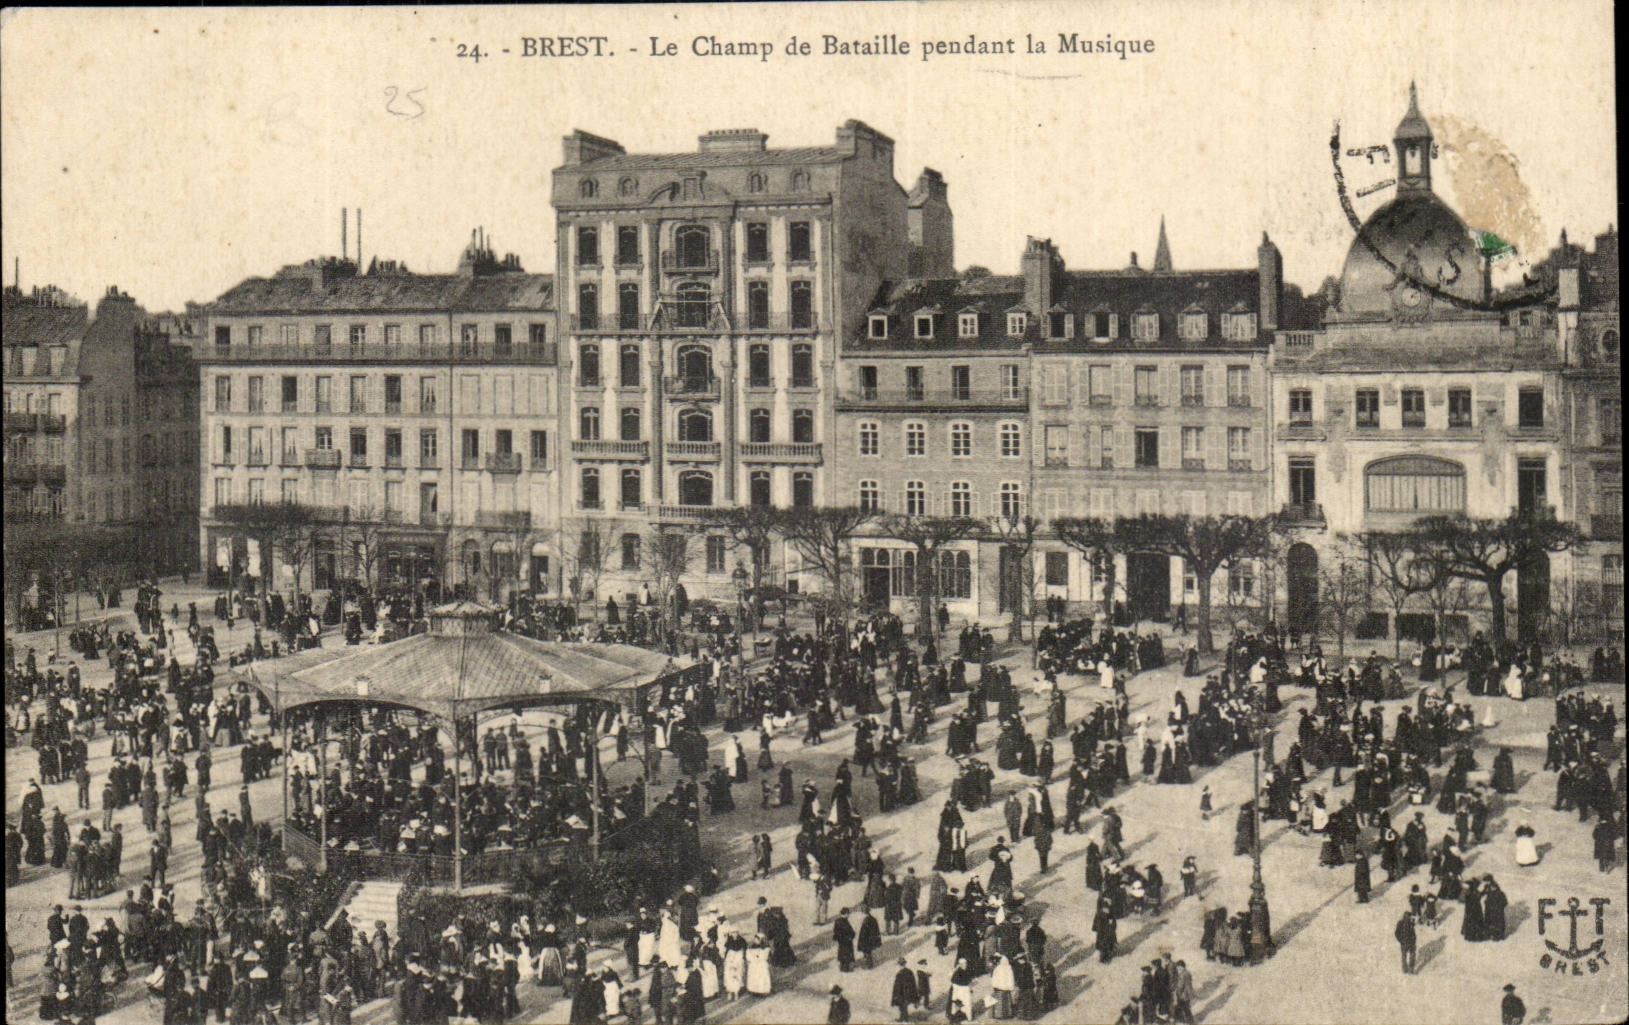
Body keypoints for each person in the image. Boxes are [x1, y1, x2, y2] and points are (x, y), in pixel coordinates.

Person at [1395, 910, 1417, 974]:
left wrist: (1414, 939)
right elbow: (1396, 933)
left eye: (1409, 917)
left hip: (1410, 942)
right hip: (1405, 942)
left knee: (1411, 955)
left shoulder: (1410, 923)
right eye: (1408, 917)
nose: (1409, 918)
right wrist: (1401, 940)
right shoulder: (1401, 923)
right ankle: (1406, 969)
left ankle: (1410, 969)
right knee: (1405, 956)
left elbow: (1413, 932)